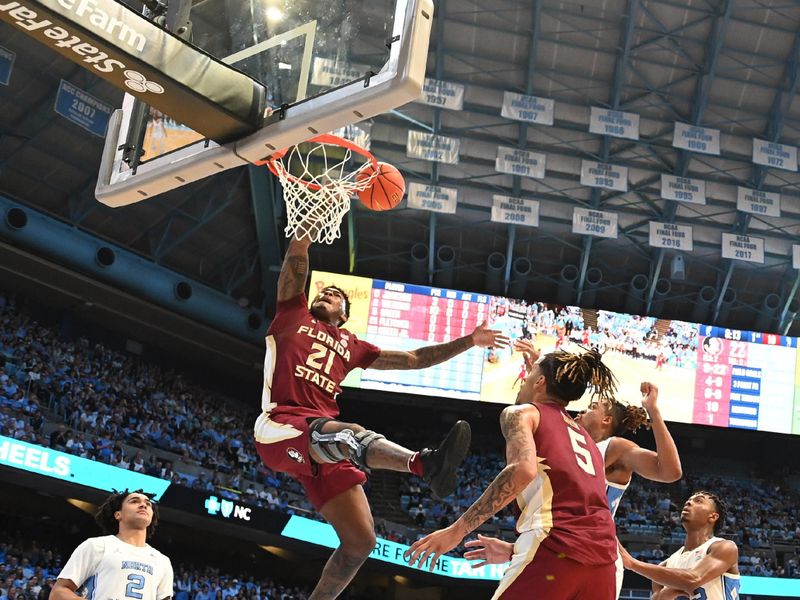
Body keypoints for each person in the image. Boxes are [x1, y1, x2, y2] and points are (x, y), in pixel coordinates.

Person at [254, 233, 509, 600]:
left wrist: (469, 341)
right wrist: (302, 243)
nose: (324, 295)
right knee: (346, 435)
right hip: (281, 425)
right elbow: (294, 270)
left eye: (334, 296)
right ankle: (424, 464)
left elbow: (415, 359)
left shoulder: (352, 345)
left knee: (360, 542)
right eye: (322, 293)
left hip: (322, 439)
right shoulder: (291, 315)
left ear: (345, 315)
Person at [473, 337, 683, 598]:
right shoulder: (565, 434)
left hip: (592, 552)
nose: (582, 410)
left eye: (593, 407)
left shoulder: (613, 447)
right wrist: (539, 371)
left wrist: (654, 412)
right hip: (568, 547)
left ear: (606, 420)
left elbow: (670, 472)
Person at [405, 347, 619, 599]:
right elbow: (575, 510)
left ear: (540, 382)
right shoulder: (586, 439)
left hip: (555, 549)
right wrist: (515, 549)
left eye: (530, 373)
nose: (523, 380)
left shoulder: (523, 412)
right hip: (604, 565)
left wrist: (457, 531)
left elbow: (522, 469)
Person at [50, 490, 173, 600]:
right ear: (118, 514)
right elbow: (58, 593)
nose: (143, 505)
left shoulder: (162, 561)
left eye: (148, 504)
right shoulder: (97, 546)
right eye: (134, 501)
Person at [619, 491, 740, 600]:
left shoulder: (724, 547)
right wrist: (666, 593)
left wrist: (633, 564)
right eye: (688, 500)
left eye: (698, 501)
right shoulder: (666, 565)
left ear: (713, 516)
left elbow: (694, 579)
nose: (688, 503)